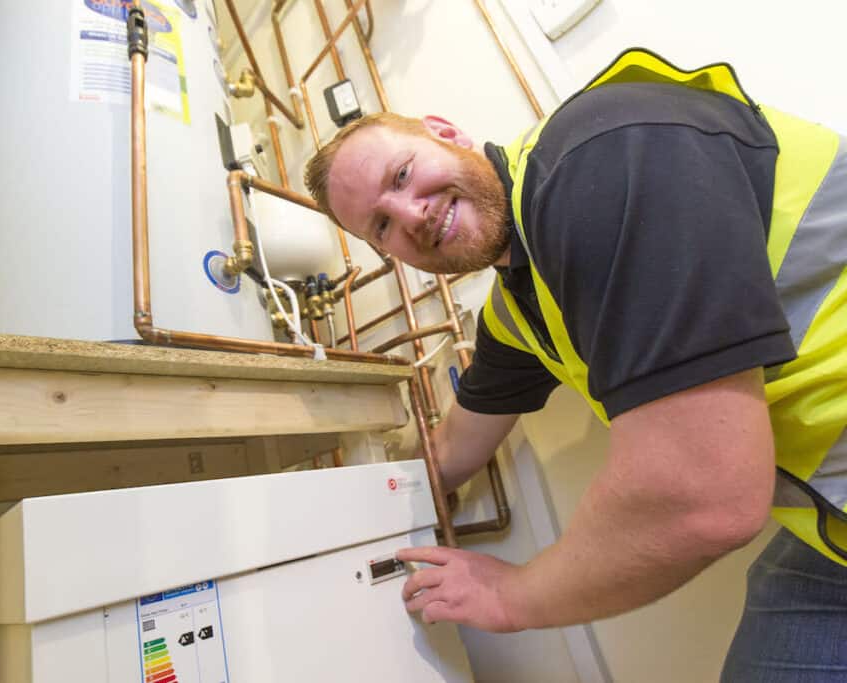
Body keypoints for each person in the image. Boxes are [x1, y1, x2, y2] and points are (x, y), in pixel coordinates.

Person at [304, 48, 847, 681]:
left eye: (401, 176)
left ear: (446, 133)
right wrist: (335, 497)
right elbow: (452, 448)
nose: (411, 217)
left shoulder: (598, 159)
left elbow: (700, 497)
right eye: (381, 227)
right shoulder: (519, 305)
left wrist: (511, 596)